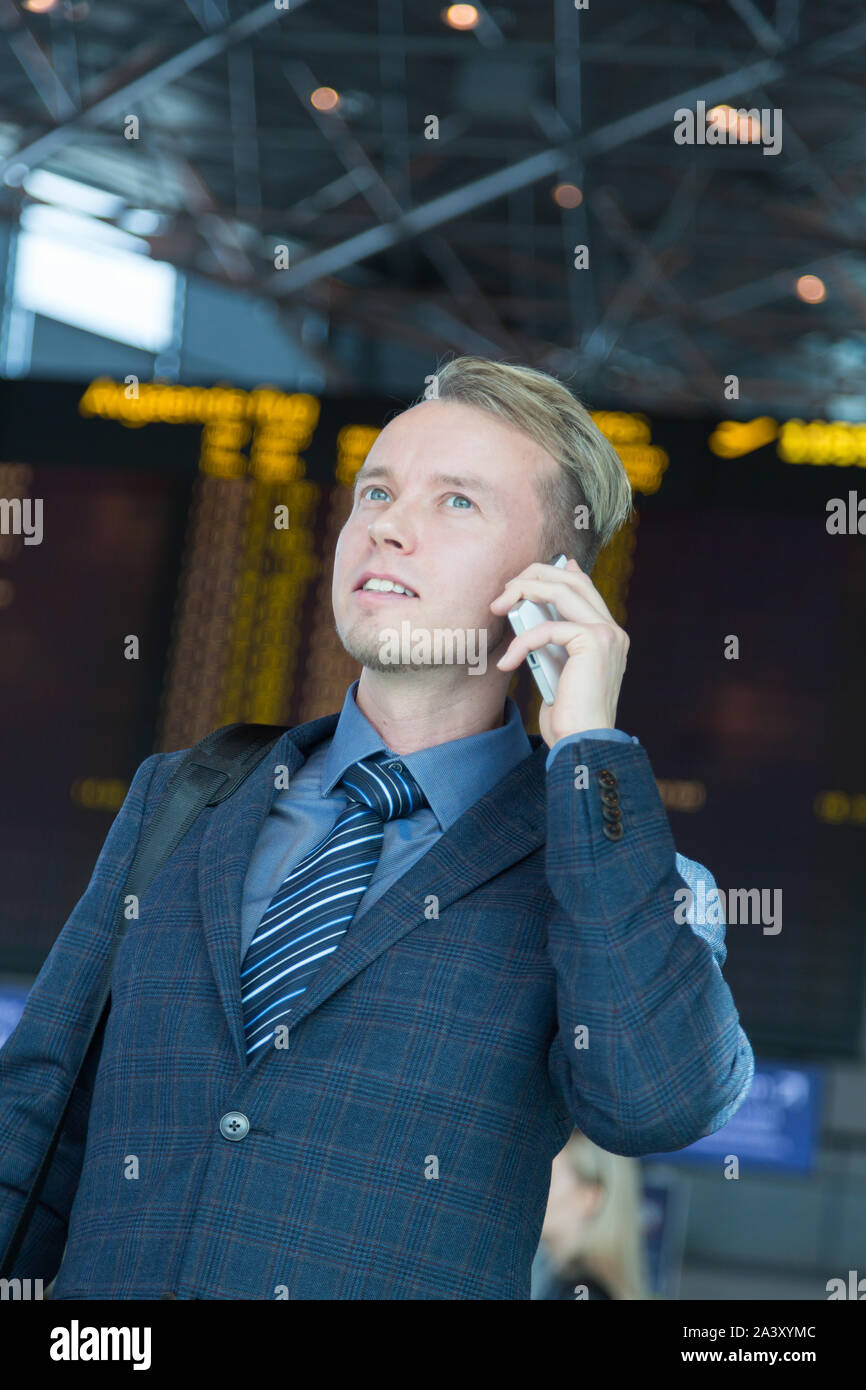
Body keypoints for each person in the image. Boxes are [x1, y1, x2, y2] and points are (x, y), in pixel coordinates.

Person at [0, 356, 754, 1300]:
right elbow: (34, 1113)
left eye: (457, 504)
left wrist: (592, 751)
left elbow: (660, 1101)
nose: (388, 525)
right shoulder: (185, 796)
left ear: (552, 582)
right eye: (377, 492)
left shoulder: (617, 871)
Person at [531, 1131, 650, 1300]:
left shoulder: (580, 1292)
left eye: (547, 1179)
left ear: (589, 1197)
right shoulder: (573, 1286)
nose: (530, 1190)